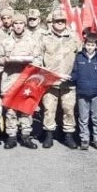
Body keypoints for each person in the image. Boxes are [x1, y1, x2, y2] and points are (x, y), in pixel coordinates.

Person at [0, 13, 42, 149]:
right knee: (10, 110)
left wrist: (31, 61)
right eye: (15, 23)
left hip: (27, 80)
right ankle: (11, 137)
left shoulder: (33, 41)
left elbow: (39, 59)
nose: (18, 26)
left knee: (26, 109)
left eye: (21, 23)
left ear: (24, 25)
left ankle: (26, 136)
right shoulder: (5, 41)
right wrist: (5, 60)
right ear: (12, 25)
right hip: (10, 79)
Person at [39, 9, 82, 149]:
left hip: (68, 83)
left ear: (65, 22)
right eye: (57, 21)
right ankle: (49, 135)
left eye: (62, 21)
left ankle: (68, 136)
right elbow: (38, 59)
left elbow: (81, 56)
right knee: (48, 110)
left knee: (68, 109)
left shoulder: (74, 37)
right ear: (53, 22)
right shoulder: (44, 37)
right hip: (50, 82)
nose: (59, 23)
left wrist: (76, 75)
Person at [71, 32, 97, 150]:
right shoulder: (79, 57)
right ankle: (84, 139)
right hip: (82, 92)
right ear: (84, 45)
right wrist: (71, 77)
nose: (90, 47)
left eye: (92, 45)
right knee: (83, 118)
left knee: (96, 118)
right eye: (88, 45)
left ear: (96, 46)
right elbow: (75, 73)